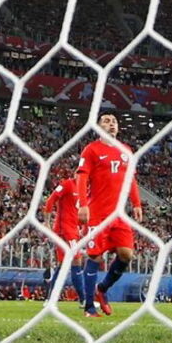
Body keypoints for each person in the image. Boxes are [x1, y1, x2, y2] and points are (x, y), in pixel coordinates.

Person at [76, 113, 144, 318]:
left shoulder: (126, 151)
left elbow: (131, 179)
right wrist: (83, 205)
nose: (111, 123)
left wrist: (136, 203)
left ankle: (102, 289)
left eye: (114, 121)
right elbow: (82, 177)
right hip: (97, 213)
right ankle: (89, 307)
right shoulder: (91, 149)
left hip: (119, 214)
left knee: (126, 254)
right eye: (106, 121)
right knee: (94, 256)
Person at [42, 169, 87, 309]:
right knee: (75, 261)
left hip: (73, 231)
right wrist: (47, 223)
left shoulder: (84, 190)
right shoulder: (67, 184)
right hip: (64, 230)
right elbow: (51, 200)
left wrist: (82, 228)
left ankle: (50, 299)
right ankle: (83, 300)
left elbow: (79, 213)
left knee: (65, 264)